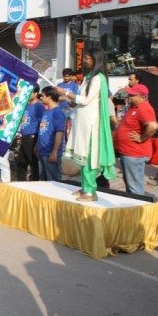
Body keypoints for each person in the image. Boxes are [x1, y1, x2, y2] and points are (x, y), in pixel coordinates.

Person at [56, 47, 116, 202]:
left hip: (91, 125)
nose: (85, 60)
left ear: (95, 60)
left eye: (88, 58)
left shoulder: (98, 78)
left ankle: (90, 191)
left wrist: (66, 93)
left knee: (89, 158)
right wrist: (69, 100)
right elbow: (80, 101)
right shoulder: (89, 77)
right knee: (82, 157)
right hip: (81, 123)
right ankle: (84, 187)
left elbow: (86, 99)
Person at [113, 84, 158, 195]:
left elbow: (153, 126)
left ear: (142, 97)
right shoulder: (134, 107)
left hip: (135, 154)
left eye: (133, 95)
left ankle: (137, 207)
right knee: (131, 185)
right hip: (128, 152)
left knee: (135, 188)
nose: (129, 96)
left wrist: (141, 137)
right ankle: (132, 207)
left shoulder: (144, 108)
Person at [36, 86, 66, 181]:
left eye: (43, 95)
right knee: (44, 182)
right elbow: (42, 131)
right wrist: (37, 145)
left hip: (50, 153)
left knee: (53, 182)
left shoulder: (57, 112)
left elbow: (59, 133)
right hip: (42, 151)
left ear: (49, 97)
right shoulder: (46, 112)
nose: (41, 97)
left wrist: (54, 152)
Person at [15, 83, 43, 181]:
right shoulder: (27, 105)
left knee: (33, 163)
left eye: (30, 92)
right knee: (21, 163)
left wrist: (38, 143)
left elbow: (41, 125)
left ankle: (34, 184)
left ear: (35, 93)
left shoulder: (39, 107)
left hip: (32, 138)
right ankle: (21, 184)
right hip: (23, 137)